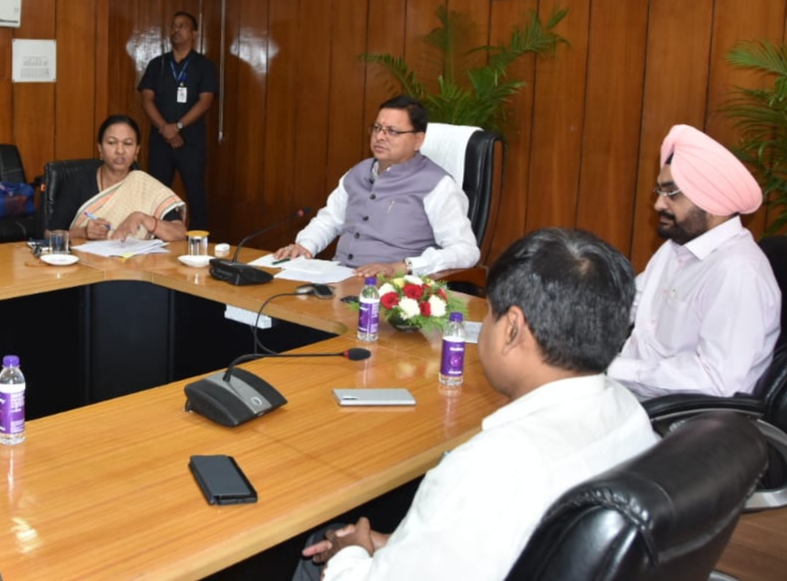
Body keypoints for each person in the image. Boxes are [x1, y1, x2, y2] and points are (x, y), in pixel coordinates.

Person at [294, 228, 657, 581]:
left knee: (317, 548)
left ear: (512, 329)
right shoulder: (631, 413)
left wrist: (351, 554)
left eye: (489, 314)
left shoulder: (485, 468)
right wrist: (396, 546)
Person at [607, 124, 780, 399]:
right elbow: (626, 304)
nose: (658, 204)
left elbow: (716, 380)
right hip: (625, 394)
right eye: (660, 191)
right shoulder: (675, 248)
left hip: (678, 418)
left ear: (712, 200)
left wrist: (610, 368)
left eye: (672, 193)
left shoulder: (738, 272)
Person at [273, 95, 479, 278]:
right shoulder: (356, 173)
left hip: (393, 291)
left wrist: (405, 266)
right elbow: (329, 220)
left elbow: (465, 250)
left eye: (392, 131)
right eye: (377, 128)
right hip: (337, 278)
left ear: (418, 140)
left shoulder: (438, 185)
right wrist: (305, 246)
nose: (380, 137)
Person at [138, 11, 219, 231]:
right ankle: (157, 237)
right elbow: (146, 99)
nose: (176, 29)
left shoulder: (204, 66)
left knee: (196, 194)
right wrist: (165, 128)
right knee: (156, 195)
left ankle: (200, 241)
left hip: (191, 142)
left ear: (194, 34)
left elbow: (205, 102)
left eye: (182, 26)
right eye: (174, 25)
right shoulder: (158, 64)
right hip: (160, 140)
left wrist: (178, 127)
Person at [55, 115, 188, 243]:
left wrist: (143, 219)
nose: (120, 150)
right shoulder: (79, 181)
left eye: (128, 143)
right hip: (85, 258)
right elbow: (49, 234)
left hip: (136, 259)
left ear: (137, 150)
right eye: (112, 143)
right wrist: (83, 233)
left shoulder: (146, 185)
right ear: (100, 148)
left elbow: (181, 233)